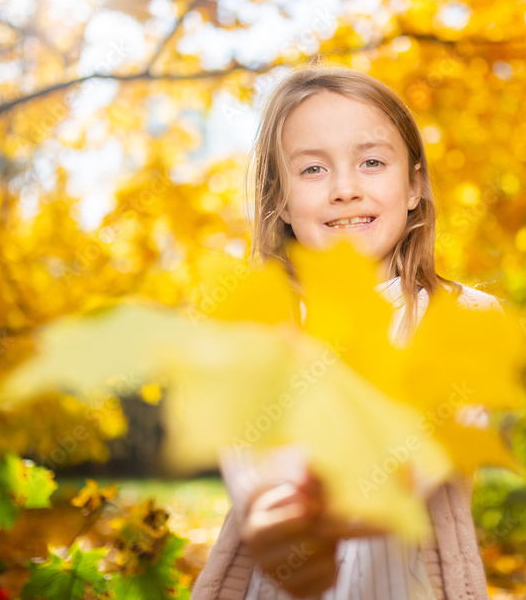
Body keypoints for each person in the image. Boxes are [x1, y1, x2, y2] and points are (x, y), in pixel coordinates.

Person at [192, 63, 505, 600]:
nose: (344, 188)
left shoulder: (468, 318)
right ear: (282, 202)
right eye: (313, 170)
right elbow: (257, 482)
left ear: (414, 186)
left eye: (372, 162)